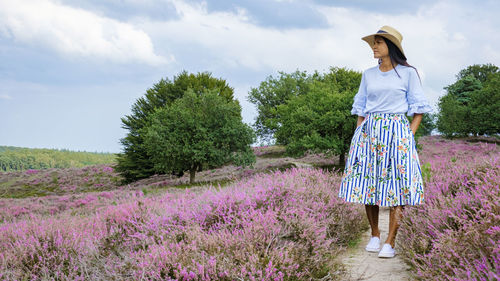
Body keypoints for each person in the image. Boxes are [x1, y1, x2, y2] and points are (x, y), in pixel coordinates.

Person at [338, 25, 432, 258]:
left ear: (390, 46)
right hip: (369, 132)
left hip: (397, 132)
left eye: (378, 42)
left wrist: (408, 134)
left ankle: (390, 241)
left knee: (397, 187)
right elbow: (360, 106)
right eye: (374, 42)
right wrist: (358, 133)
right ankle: (374, 235)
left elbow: (418, 108)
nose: (374, 46)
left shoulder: (408, 73)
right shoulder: (368, 74)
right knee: (368, 185)